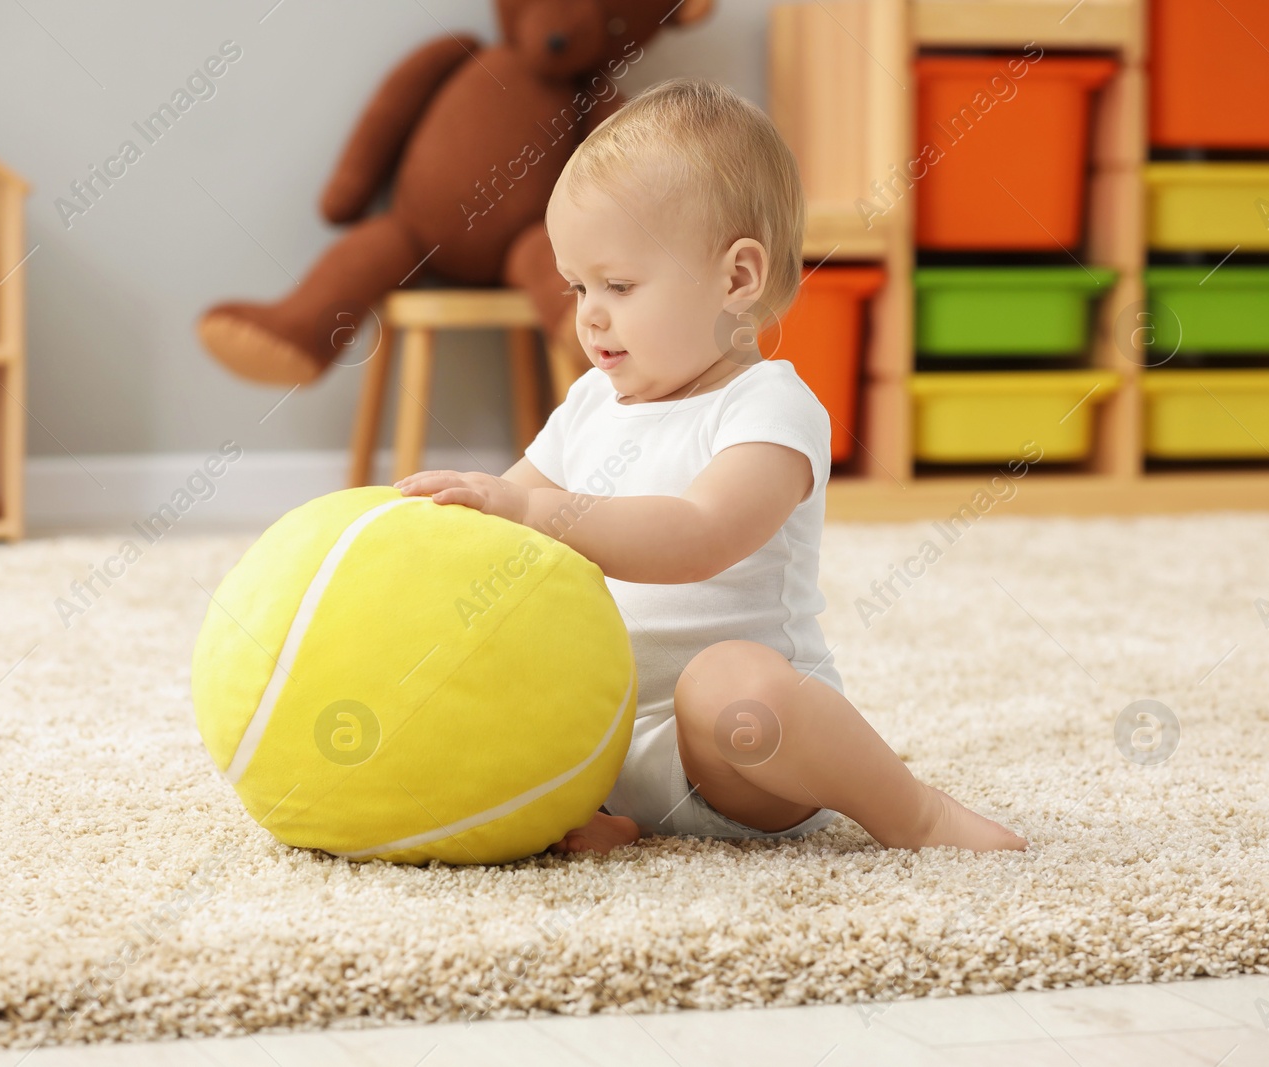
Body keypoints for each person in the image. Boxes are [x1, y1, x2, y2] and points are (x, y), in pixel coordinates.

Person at [396, 77, 1026, 855]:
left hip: (742, 759)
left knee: (730, 686)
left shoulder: (770, 409)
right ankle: (585, 814)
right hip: (596, 743)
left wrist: (534, 511)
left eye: (618, 285)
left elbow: (699, 534)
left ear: (736, 280)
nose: (587, 311)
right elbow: (496, 527)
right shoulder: (593, 402)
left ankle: (916, 814)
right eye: (578, 285)